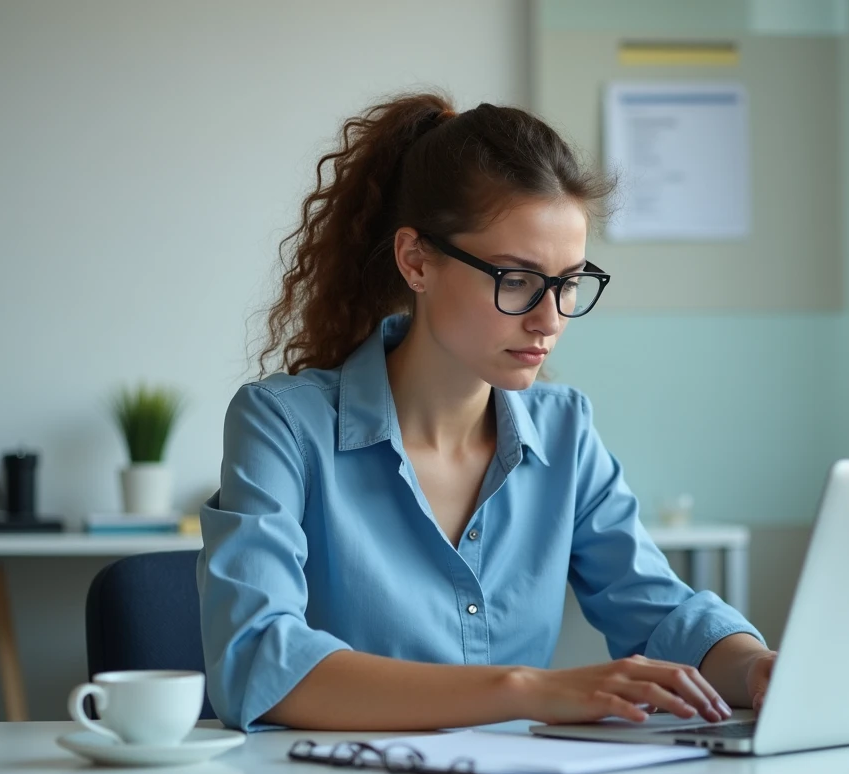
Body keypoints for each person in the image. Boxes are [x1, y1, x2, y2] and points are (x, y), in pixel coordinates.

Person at [197, 91, 777, 733]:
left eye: (569, 281)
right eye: (517, 278)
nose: (550, 319)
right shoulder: (282, 425)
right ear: (416, 260)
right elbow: (257, 660)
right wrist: (526, 690)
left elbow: (662, 615)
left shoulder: (565, 429)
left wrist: (755, 667)